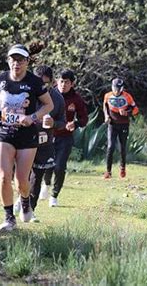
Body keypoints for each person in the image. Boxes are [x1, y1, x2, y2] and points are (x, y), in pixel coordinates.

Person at [0, 44, 54, 231]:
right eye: (13, 60)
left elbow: (48, 105)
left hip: (26, 136)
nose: (16, 63)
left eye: (21, 60)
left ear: (27, 62)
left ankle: (25, 201)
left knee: (22, 180)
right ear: (8, 61)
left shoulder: (34, 82)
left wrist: (31, 118)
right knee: (4, 176)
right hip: (3, 133)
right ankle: (8, 218)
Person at [14, 65, 66, 221]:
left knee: (37, 176)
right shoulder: (22, 95)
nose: (42, 87)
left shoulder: (57, 99)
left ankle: (30, 209)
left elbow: (63, 122)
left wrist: (54, 124)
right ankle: (21, 200)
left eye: (46, 84)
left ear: (51, 83)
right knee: (23, 175)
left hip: (44, 142)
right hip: (24, 139)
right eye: (39, 83)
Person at [44, 69, 88, 207]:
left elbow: (84, 119)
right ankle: (45, 184)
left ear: (72, 84)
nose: (63, 84)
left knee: (59, 167)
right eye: (61, 81)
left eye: (66, 82)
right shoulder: (49, 94)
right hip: (48, 136)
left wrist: (75, 124)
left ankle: (54, 195)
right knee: (47, 165)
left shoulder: (76, 99)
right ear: (56, 81)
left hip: (65, 137)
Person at [103, 78, 139, 179]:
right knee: (110, 147)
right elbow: (105, 106)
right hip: (112, 124)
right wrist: (106, 116)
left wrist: (127, 113)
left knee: (122, 147)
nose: (117, 91)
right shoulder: (107, 95)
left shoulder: (127, 97)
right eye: (115, 88)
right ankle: (108, 172)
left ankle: (122, 167)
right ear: (112, 87)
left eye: (119, 88)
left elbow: (136, 110)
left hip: (123, 124)